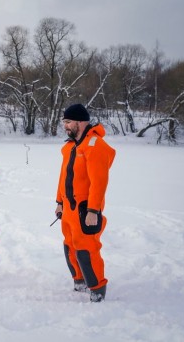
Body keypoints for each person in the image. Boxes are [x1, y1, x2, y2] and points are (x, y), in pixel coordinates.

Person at [55, 104, 116, 302]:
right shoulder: (71, 146)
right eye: (64, 122)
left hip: (84, 210)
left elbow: (99, 182)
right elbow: (63, 177)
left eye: (68, 122)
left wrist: (93, 210)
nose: (65, 126)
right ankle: (79, 281)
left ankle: (97, 288)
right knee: (70, 247)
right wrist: (59, 202)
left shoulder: (95, 145)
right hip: (68, 209)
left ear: (81, 122)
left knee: (86, 249)